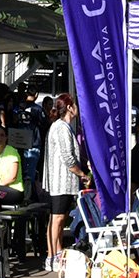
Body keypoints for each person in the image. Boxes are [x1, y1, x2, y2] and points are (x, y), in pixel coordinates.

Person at [43, 93, 90, 267]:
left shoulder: (64, 127)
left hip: (64, 182)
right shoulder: (61, 127)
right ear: (69, 107)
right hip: (59, 181)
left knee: (59, 219)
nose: (77, 108)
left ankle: (57, 252)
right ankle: (51, 257)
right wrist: (82, 174)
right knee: (57, 219)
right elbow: (67, 158)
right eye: (75, 105)